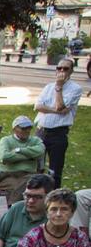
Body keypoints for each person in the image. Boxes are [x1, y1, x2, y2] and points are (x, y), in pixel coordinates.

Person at [35, 59, 82, 187]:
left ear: (71, 71)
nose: (61, 71)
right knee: (35, 168)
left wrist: (59, 87)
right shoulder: (48, 87)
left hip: (58, 133)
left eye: (65, 69)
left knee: (54, 171)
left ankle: (54, 200)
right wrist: (55, 110)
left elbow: (60, 106)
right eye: (59, 68)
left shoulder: (75, 88)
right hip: (41, 131)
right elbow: (38, 107)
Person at [0, 116, 48, 203]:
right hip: (8, 176)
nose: (27, 130)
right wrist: (30, 156)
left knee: (33, 181)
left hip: (29, 175)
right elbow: (4, 157)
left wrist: (19, 150)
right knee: (30, 183)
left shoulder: (35, 140)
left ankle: (13, 208)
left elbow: (41, 151)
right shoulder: (6, 140)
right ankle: (15, 209)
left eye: (29, 128)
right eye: (24, 128)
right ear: (14, 129)